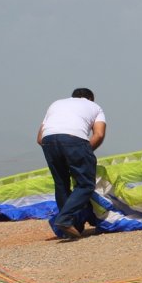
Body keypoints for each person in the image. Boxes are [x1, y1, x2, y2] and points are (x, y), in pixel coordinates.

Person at [37, 88, 106, 239]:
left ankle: (72, 227)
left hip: (48, 141)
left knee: (61, 184)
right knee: (85, 184)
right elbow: (99, 134)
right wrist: (84, 153)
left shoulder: (56, 104)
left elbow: (40, 138)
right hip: (74, 139)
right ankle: (65, 219)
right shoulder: (95, 107)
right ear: (90, 99)